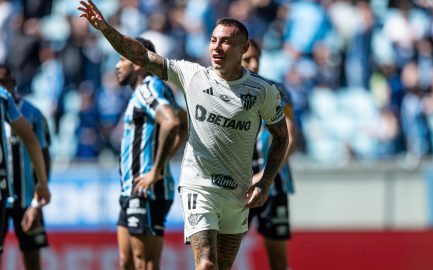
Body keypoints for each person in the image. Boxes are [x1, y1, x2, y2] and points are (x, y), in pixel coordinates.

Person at [78, 1, 289, 269]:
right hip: (198, 185)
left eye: (225, 42)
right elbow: (142, 56)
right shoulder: (192, 76)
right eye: (213, 40)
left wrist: (265, 182)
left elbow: (281, 137)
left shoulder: (263, 91)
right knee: (206, 264)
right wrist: (106, 29)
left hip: (238, 191)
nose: (216, 47)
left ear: (244, 48)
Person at [115, 37, 188, 270]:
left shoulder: (148, 88)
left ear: (137, 63)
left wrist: (156, 170)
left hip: (147, 189)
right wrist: (164, 159)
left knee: (144, 263)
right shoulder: (144, 92)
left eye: (121, 58)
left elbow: (172, 122)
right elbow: (183, 121)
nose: (117, 66)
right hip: (133, 187)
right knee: (127, 262)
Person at [242, 40, 297, 270]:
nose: (254, 65)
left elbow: (291, 138)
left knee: (278, 262)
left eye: (257, 58)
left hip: (273, 185)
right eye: (247, 60)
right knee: (222, 253)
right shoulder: (222, 93)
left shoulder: (277, 91)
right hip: (238, 185)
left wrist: (264, 176)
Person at [0, 64, 51, 270]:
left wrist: (37, 202)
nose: (1, 87)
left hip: (27, 198)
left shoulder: (32, 114)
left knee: (32, 259)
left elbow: (43, 153)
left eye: (3, 81)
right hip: (2, 197)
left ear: (13, 82)